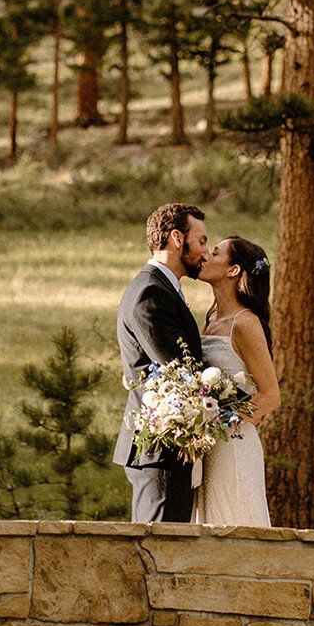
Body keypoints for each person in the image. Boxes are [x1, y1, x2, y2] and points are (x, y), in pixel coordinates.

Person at [115, 202, 210, 523]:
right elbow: (179, 372)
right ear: (176, 238)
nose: (205, 252)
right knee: (158, 554)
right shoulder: (150, 294)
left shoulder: (161, 288)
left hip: (167, 449)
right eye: (201, 241)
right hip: (160, 448)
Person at [195, 235, 280, 527]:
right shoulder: (210, 321)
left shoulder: (245, 323)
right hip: (206, 447)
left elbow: (270, 396)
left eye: (216, 253)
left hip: (232, 445)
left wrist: (217, 423)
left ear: (233, 270)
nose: (205, 256)